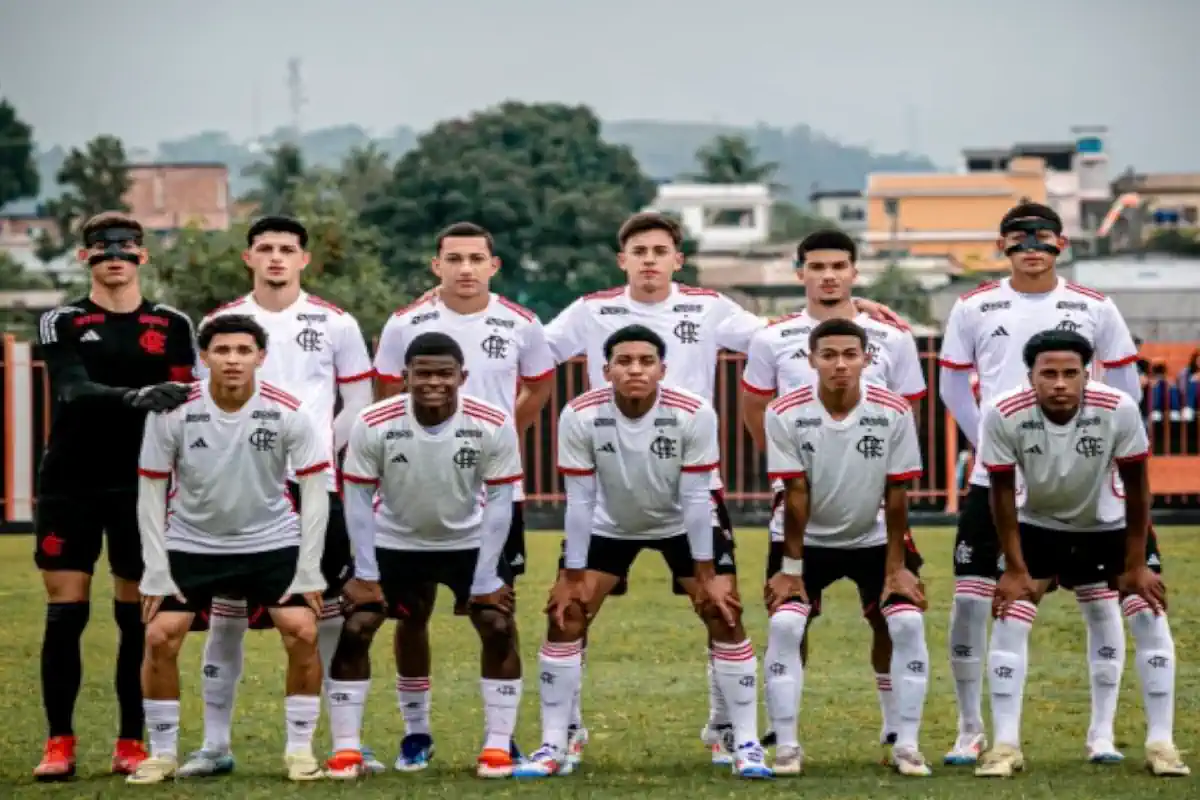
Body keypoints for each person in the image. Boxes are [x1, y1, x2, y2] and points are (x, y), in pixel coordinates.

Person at [544, 211, 909, 766]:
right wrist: (444, 302)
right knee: (571, 609)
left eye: (659, 250)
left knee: (721, 608)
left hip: (692, 484)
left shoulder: (708, 306)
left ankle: (724, 728)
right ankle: (565, 730)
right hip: (612, 490)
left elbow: (780, 335)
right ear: (622, 260)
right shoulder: (592, 310)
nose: (648, 259)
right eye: (638, 251)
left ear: (677, 259)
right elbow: (532, 348)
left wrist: (851, 314)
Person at [937, 202, 1154, 766]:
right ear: (1003, 245)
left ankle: (1101, 734)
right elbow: (954, 389)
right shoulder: (974, 305)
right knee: (969, 602)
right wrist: (991, 443)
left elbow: (1127, 387)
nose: (1031, 246)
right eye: (1018, 238)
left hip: (1083, 473)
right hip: (1000, 473)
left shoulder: (1095, 306)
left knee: (1101, 600)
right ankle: (969, 730)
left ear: (1061, 243)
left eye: (1042, 237)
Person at [514, 324, 772, 780]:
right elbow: (579, 499)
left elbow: (696, 498)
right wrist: (573, 574)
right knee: (566, 613)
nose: (635, 369)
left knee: (724, 614)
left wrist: (706, 572)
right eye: (625, 361)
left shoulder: (694, 412)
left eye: (646, 361)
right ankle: (558, 739)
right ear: (606, 370)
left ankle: (740, 737)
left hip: (682, 522)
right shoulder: (579, 413)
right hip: (607, 523)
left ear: (662, 369)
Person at [179, 216, 377, 777]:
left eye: (286, 249)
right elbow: (206, 401)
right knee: (227, 613)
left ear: (303, 260)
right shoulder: (221, 322)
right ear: (248, 258)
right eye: (264, 248)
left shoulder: (335, 322)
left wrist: (310, 452)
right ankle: (215, 745)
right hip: (238, 485)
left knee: (330, 611)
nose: (275, 258)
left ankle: (345, 744)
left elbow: (357, 405)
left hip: (315, 484)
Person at [367, 221, 555, 768]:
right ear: (437, 265)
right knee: (411, 613)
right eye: (454, 258)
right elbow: (385, 390)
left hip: (493, 488)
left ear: (493, 266)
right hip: (415, 487)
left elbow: (539, 384)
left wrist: (500, 434)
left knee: (495, 610)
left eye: (476, 258)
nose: (465, 268)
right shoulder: (406, 323)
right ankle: (416, 734)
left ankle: (502, 736)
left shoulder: (521, 322)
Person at [741, 229, 926, 760]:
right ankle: (783, 732)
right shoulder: (772, 338)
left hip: (874, 502)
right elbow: (756, 408)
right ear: (799, 273)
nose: (828, 275)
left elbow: (906, 410)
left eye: (839, 265)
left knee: (892, 616)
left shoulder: (892, 336)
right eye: (816, 266)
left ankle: (897, 729)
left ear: (854, 271)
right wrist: (789, 464)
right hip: (801, 503)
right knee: (790, 616)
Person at [973, 329, 1187, 778]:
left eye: (1071, 373)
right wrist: (1014, 568)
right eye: (1048, 373)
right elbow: (1001, 493)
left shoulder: (1118, 408)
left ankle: (1161, 743)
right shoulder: (1002, 413)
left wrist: (1134, 563)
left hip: (1111, 527)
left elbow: (1138, 489)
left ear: (1087, 374)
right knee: (1011, 613)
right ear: (1029, 375)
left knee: (1149, 613)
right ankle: (1005, 745)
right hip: (1039, 526)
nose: (1059, 383)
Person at [127, 314, 330, 784]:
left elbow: (315, 491)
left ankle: (299, 750)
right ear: (204, 358)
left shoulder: (288, 410)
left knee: (301, 631)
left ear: (261, 356)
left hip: (270, 540)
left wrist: (309, 570)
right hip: (192, 543)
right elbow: (151, 492)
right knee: (160, 636)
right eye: (222, 351)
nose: (233, 360)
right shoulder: (172, 411)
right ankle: (161, 753)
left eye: (243, 351)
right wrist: (155, 569)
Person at [32, 211, 197, 781]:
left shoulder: (174, 323)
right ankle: (60, 742)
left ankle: (131, 740)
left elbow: (185, 397)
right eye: (103, 250)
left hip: (142, 484)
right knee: (65, 615)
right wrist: (136, 397)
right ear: (86, 259)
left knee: (135, 619)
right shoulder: (63, 320)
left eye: (125, 249)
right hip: (70, 482)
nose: (114, 258)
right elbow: (73, 389)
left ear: (142, 257)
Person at [324, 332, 526, 779]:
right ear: (405, 377)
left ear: (462, 377)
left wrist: (488, 575)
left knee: (496, 624)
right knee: (358, 627)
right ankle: (365, 746)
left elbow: (499, 501)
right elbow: (356, 497)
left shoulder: (492, 421)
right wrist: (365, 570)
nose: (434, 382)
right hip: (394, 540)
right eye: (423, 373)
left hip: (470, 541)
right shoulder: (374, 421)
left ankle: (498, 744)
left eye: (444, 373)